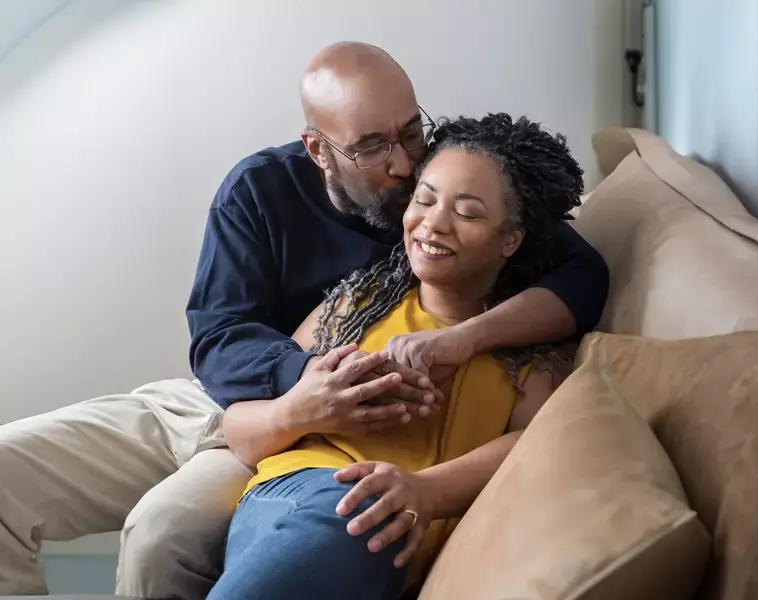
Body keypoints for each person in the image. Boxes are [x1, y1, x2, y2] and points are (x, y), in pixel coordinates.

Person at [0, 42, 608, 599]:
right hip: (221, 404)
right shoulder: (259, 192)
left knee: (161, 534)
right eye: (371, 146)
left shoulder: (448, 187)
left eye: (410, 132)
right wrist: (311, 381)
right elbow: (217, 339)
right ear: (317, 148)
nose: (402, 166)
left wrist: (457, 340)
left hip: (310, 445)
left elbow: (582, 278)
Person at [209, 112, 581, 600]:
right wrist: (300, 409)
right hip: (292, 492)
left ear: (511, 238)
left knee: (373, 511)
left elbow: (534, 445)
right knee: (359, 508)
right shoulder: (357, 305)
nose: (434, 223)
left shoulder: (532, 352)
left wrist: (425, 490)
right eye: (424, 199)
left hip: (389, 535)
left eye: (467, 213)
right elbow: (238, 430)